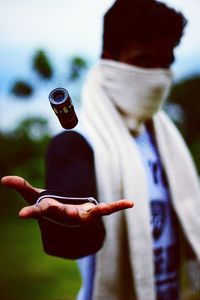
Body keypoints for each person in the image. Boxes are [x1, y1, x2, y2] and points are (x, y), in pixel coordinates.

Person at [1, 0, 200, 299]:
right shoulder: (77, 142)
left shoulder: (166, 137)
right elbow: (72, 243)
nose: (159, 75)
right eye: (145, 61)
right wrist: (66, 223)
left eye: (167, 62)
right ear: (110, 60)